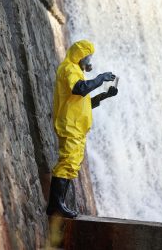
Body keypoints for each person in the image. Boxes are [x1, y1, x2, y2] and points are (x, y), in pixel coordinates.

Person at [46, 40, 118, 218]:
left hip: (77, 128)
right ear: (80, 56)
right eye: (88, 56)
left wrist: (104, 95)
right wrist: (100, 78)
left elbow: (84, 103)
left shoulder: (78, 72)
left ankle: (59, 204)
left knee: (71, 165)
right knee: (67, 163)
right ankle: (55, 206)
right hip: (70, 126)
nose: (89, 60)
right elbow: (80, 89)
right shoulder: (69, 69)